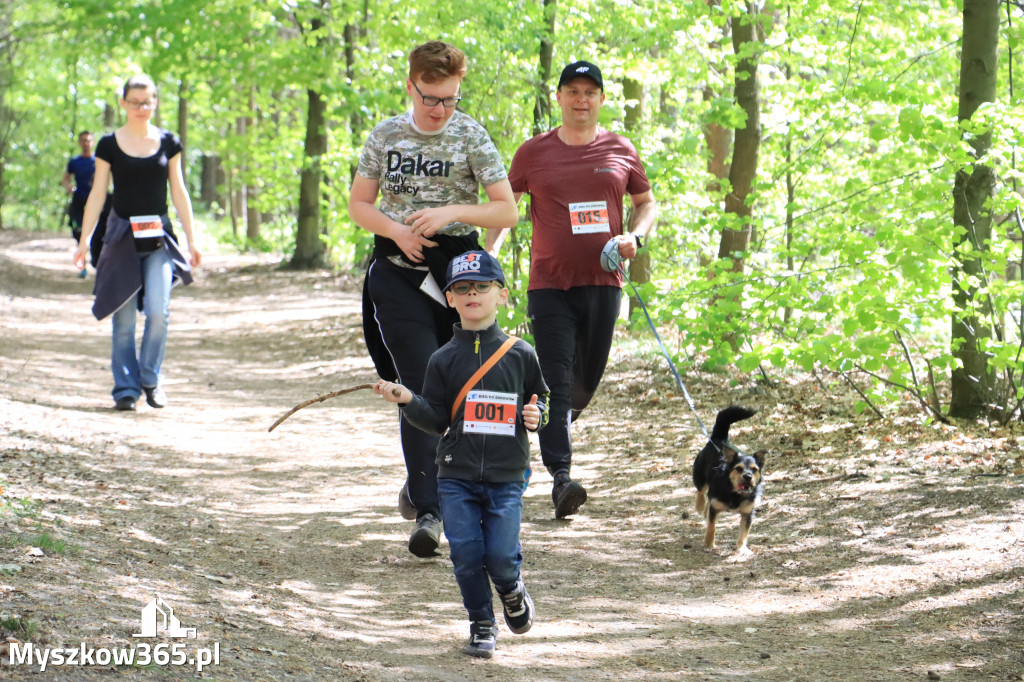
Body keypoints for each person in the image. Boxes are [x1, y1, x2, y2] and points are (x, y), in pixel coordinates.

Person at [349, 41, 518, 558]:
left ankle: (457, 487)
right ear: (411, 85)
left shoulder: (471, 136)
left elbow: (506, 211)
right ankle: (428, 510)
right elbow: (359, 204)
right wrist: (397, 232)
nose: (440, 109)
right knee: (418, 382)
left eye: (450, 99)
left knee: (458, 384)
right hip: (397, 276)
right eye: (431, 99)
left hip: (457, 277)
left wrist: (449, 214)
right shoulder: (386, 135)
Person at [373, 250, 549, 659]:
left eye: (482, 286)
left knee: (501, 557)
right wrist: (407, 399)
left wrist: (536, 414)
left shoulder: (521, 354)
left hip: (507, 477)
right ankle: (481, 624)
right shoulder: (442, 358)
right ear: (450, 298)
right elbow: (435, 418)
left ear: (501, 295)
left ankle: (511, 589)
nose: (473, 293)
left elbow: (545, 399)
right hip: (455, 476)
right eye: (462, 288)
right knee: (467, 554)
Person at [506, 60, 658, 518]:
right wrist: (485, 259)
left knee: (584, 381)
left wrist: (636, 236)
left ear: (602, 99)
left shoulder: (620, 149)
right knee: (555, 378)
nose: (581, 99)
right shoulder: (532, 152)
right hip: (549, 284)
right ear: (558, 98)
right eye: (572, 91)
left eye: (590, 92)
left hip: (604, 283)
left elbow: (646, 203)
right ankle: (561, 478)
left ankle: (526, 426)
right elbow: (504, 205)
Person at [73, 75, 202, 412]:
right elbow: (98, 193)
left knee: (159, 310)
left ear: (155, 102)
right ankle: (126, 389)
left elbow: (179, 191)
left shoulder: (169, 142)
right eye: (135, 102)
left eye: (147, 102)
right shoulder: (108, 145)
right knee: (124, 318)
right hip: (119, 238)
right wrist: (84, 241)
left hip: (158, 237)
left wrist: (192, 239)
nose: (142, 108)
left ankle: (151, 379)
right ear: (124, 104)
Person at [62, 131, 110, 276]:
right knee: (78, 230)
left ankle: (97, 261)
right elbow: (65, 179)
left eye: (88, 140)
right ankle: (82, 263)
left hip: (97, 201)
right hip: (79, 200)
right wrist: (69, 187)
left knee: (99, 231)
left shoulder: (99, 160)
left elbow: (107, 179)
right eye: (83, 140)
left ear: (93, 142)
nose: (86, 143)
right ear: (79, 142)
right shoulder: (74, 161)